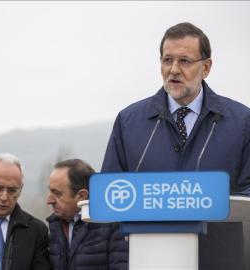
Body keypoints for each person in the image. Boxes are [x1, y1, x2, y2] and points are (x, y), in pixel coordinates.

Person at [101, 22, 250, 270]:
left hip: (217, 261)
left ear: (206, 67)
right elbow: (108, 190)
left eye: (184, 61)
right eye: (167, 60)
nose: (173, 70)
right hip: (147, 259)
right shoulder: (129, 121)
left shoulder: (241, 122)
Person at [47, 158, 128, 270]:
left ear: (81, 196)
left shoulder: (111, 224)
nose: (49, 200)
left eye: (57, 193)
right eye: (50, 191)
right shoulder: (54, 226)